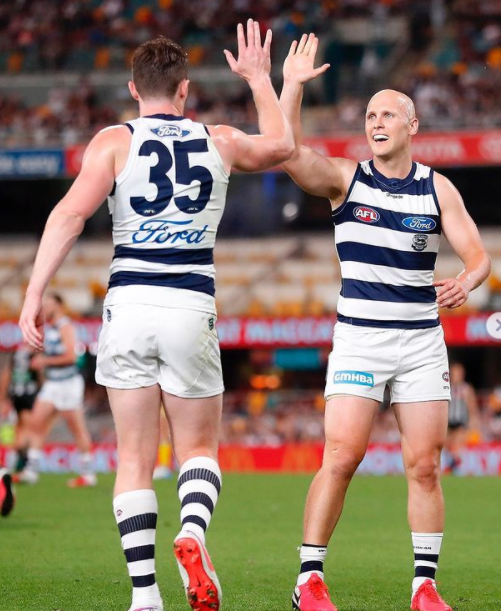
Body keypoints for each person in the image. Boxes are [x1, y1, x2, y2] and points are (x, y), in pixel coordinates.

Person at [20, 21, 293, 611]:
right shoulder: (217, 139)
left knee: (134, 459)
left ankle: (145, 596)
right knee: (197, 449)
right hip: (190, 303)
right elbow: (282, 146)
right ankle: (191, 533)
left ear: (133, 88)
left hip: (130, 305)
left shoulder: (112, 142)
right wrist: (258, 79)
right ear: (186, 89)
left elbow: (66, 218)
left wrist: (32, 295)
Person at [279, 34, 491, 611]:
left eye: (388, 113)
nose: (376, 120)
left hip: (422, 341)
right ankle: (309, 580)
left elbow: (478, 255)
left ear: (412, 124)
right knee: (342, 457)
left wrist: (467, 282)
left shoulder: (437, 187)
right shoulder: (348, 180)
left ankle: (424, 587)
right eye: (370, 113)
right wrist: (293, 87)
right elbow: (291, 153)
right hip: (361, 340)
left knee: (424, 467)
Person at [16, 293, 97, 488]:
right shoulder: (50, 327)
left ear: (59, 305)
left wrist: (45, 361)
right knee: (35, 423)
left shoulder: (65, 326)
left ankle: (87, 473)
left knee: (76, 429)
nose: (45, 307)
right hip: (53, 384)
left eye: (49, 304)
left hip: (68, 384)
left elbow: (71, 357)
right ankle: (31, 471)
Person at [0, 342, 40, 474]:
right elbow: (40, 374)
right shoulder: (35, 351)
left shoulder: (16, 350)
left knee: (20, 429)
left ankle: (13, 463)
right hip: (28, 395)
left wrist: (4, 398)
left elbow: (6, 375)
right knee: (28, 431)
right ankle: (22, 465)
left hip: (15, 395)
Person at [444, 361, 480, 474]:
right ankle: (451, 465)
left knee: (458, 444)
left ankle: (454, 467)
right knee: (447, 445)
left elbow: (472, 407)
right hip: (448, 422)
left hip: (461, 422)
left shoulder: (466, 389)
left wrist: (473, 421)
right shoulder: (446, 387)